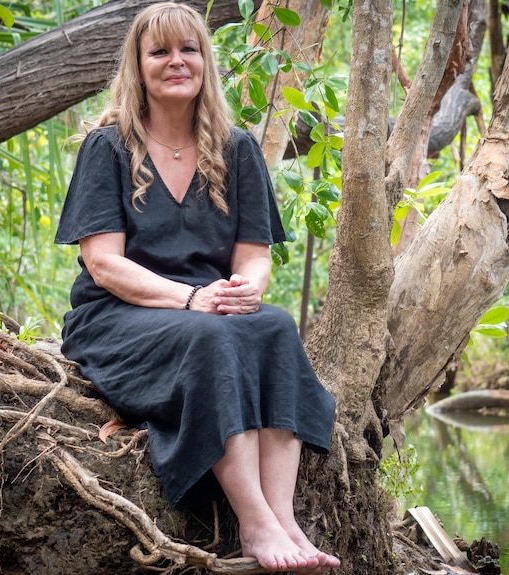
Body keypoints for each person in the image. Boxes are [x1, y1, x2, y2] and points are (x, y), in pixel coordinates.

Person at [54, 3, 340, 573]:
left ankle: (284, 519)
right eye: (159, 52)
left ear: (205, 60)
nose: (175, 61)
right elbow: (104, 264)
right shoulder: (106, 147)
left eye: (188, 49)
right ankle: (254, 525)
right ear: (138, 67)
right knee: (212, 339)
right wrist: (190, 298)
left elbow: (255, 258)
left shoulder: (237, 149)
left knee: (277, 326)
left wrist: (247, 291)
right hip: (117, 315)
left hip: (209, 310)